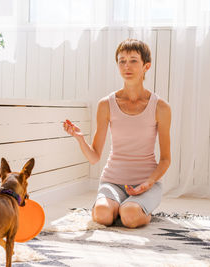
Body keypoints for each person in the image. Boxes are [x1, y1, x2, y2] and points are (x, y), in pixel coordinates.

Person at [63, 39, 171, 228]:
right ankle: (120, 207)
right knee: (102, 216)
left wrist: (148, 183)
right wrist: (79, 138)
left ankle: (134, 208)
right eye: (122, 61)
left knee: (129, 217)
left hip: (146, 183)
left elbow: (165, 159)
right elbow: (95, 156)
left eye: (133, 60)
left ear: (146, 66)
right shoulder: (106, 104)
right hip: (113, 181)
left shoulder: (160, 107)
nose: (126, 66)